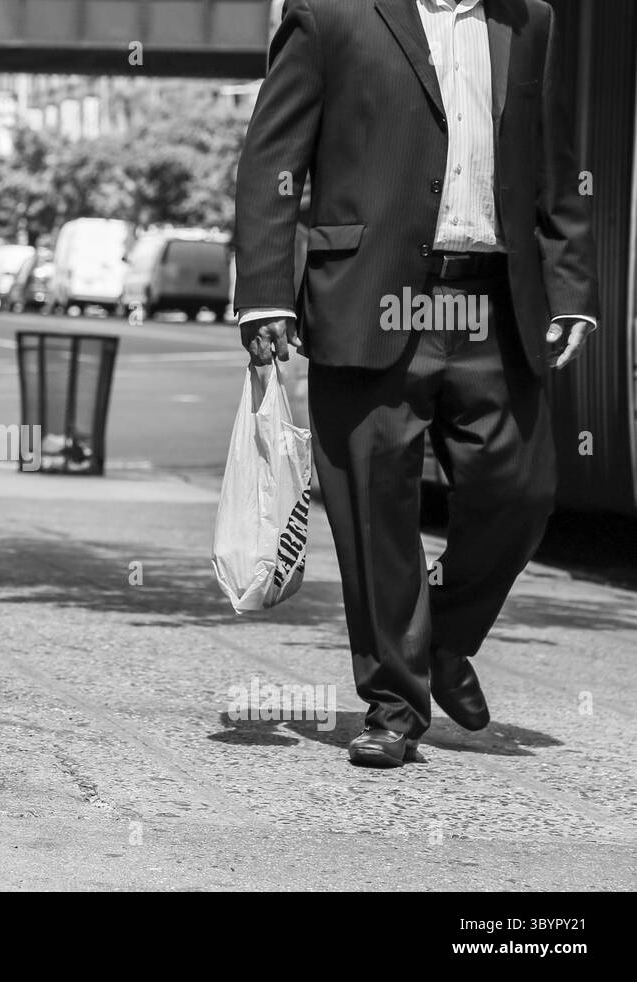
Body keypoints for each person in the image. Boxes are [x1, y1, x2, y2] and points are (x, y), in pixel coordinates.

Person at [232, 0, 599, 766]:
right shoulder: (330, 14)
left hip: (492, 298)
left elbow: (557, 163)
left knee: (521, 491)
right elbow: (275, 158)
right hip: (369, 291)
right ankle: (395, 705)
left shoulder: (530, 20)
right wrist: (266, 288)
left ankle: (443, 638)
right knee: (376, 508)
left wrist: (571, 291)